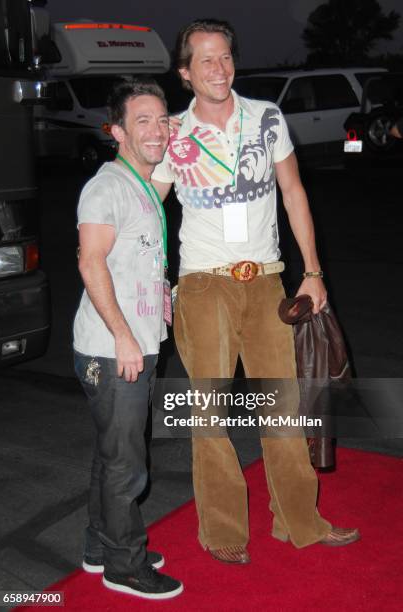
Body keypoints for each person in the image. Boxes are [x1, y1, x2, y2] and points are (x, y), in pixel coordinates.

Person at [152, 19, 360, 564]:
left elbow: (293, 193)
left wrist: (312, 273)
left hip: (266, 279)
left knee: (284, 410)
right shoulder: (173, 132)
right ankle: (222, 529)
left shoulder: (265, 117)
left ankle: (299, 522)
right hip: (203, 284)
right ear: (185, 73)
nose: (218, 69)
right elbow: (150, 206)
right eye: (205, 61)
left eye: (225, 57)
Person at [73, 79, 183, 599]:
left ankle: (99, 547)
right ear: (115, 131)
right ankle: (125, 564)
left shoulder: (140, 184)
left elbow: (162, 173)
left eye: (161, 118)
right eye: (142, 120)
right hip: (112, 347)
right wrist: (122, 336)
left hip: (135, 341)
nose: (156, 129)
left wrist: (174, 130)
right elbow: (89, 261)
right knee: (126, 463)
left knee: (110, 453)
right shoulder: (105, 186)